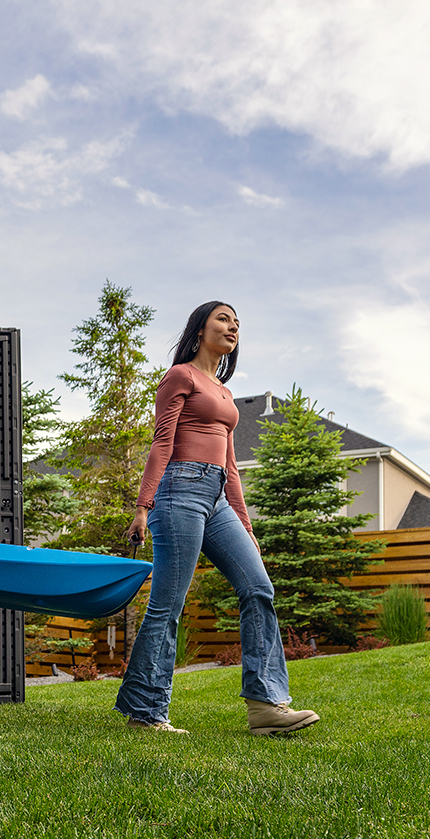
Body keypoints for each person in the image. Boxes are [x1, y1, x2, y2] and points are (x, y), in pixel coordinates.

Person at [113, 301, 319, 736]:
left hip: (218, 498)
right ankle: (146, 712)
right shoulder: (179, 376)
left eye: (237, 322)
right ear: (200, 328)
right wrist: (142, 505)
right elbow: (161, 443)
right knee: (169, 603)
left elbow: (232, 465)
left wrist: (245, 524)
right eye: (223, 319)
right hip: (179, 491)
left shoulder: (224, 392)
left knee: (258, 586)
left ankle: (265, 706)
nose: (233, 326)